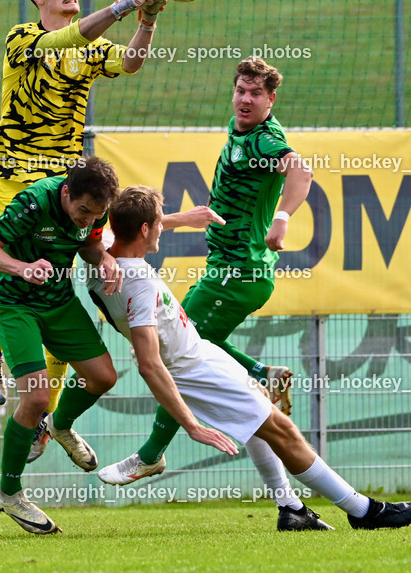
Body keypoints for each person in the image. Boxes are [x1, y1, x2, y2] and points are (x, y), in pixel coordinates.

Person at [89, 186, 411, 530]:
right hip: (192, 367)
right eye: (158, 223)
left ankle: (291, 508)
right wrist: (192, 426)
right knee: (283, 430)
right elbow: (148, 364)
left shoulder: (102, 257)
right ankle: (364, 511)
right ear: (145, 229)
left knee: (260, 414)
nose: (162, 228)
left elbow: (113, 233)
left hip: (199, 351)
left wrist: (181, 219)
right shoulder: (137, 281)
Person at [0, 158, 237, 535]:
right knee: (34, 398)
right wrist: (22, 268)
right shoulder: (33, 202)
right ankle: (10, 492)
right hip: (14, 301)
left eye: (95, 214)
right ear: (66, 193)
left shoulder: (96, 213)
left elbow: (92, 247)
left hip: (57, 300)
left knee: (102, 377)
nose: (87, 220)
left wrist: (107, 260)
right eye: (82, 211)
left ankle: (59, 426)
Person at [0, 0, 169, 464]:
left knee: (57, 292)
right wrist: (125, 3)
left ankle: (48, 421)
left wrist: (148, 17)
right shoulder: (23, 38)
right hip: (14, 174)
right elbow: (69, 40)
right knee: (26, 276)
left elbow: (129, 63)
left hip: (66, 184)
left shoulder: (91, 45)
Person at [129, 55, 314, 471]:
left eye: (255, 94)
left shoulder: (265, 140)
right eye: (240, 91)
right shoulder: (239, 127)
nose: (245, 100)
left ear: (271, 100)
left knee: (174, 355)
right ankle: (261, 373)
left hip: (239, 273)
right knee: (190, 340)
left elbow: (301, 171)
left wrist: (281, 220)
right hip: (224, 268)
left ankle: (151, 455)